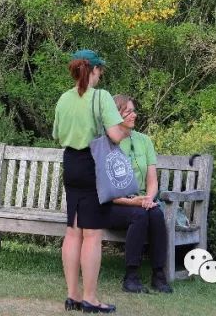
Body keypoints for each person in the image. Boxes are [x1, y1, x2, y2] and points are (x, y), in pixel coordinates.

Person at [53, 49, 127, 314]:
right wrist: (126, 127)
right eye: (100, 71)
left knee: (73, 232)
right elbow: (116, 135)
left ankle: (72, 296)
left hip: (71, 164)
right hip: (93, 165)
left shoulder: (64, 99)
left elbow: (57, 134)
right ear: (94, 70)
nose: (101, 75)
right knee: (92, 235)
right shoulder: (101, 97)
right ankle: (90, 299)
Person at [108, 94, 173, 294]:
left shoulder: (144, 141)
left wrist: (148, 199)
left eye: (134, 110)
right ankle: (131, 276)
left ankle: (158, 275)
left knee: (156, 214)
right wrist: (134, 202)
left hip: (140, 201)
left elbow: (152, 180)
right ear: (115, 115)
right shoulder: (106, 142)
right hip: (112, 204)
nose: (134, 115)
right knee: (139, 215)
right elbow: (106, 190)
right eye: (128, 111)